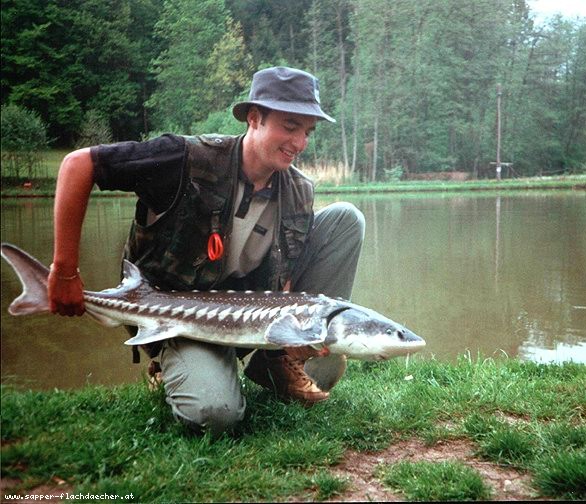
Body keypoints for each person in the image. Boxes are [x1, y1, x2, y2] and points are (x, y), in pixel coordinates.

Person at [48, 66, 365, 435]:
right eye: (290, 126)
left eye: (308, 132)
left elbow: (288, 270)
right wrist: (65, 270)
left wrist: (301, 335)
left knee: (346, 219)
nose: (300, 143)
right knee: (216, 414)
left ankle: (277, 361)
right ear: (254, 118)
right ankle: (171, 364)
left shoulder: (298, 189)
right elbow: (78, 164)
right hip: (175, 312)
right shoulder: (184, 158)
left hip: (252, 312)